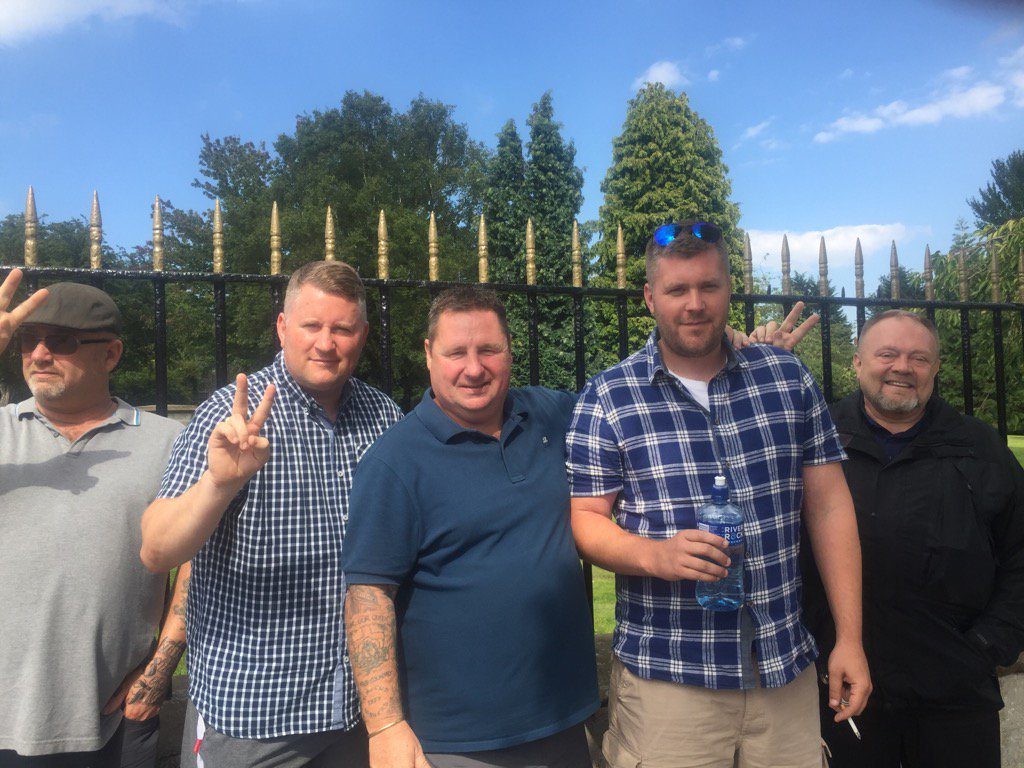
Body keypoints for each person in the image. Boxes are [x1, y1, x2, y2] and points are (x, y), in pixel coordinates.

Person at [566, 220, 871, 768]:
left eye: (709, 286)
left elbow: (829, 507)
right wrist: (655, 556)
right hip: (668, 679)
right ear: (650, 298)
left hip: (782, 668)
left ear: (730, 289)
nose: (695, 304)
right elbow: (586, 519)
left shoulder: (786, 378)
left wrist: (850, 637)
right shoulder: (609, 396)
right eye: (677, 290)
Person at [140, 260, 402, 768]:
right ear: (283, 327)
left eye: (343, 329)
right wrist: (220, 483)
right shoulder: (229, 415)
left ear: (363, 336)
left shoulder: (384, 416)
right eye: (311, 325)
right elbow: (157, 549)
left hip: (358, 711)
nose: (326, 343)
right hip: (254, 713)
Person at [341, 287, 599, 768]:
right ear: (429, 355)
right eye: (456, 352)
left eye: (489, 350)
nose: (474, 368)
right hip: (458, 743)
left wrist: (720, 344)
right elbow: (368, 596)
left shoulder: (551, 414)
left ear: (511, 352)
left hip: (563, 722)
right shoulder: (394, 462)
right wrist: (385, 726)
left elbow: (634, 401)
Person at [801, 310, 1024, 768]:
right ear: (858, 362)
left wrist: (988, 646)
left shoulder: (979, 448)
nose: (902, 367)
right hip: (839, 686)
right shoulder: (816, 441)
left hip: (955, 691)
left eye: (919, 358)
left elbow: (1020, 555)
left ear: (935, 369)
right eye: (887, 354)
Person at [0, 272, 188, 767]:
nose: (40, 354)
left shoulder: (168, 442)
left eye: (61, 341)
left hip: (112, 717)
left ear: (110, 354)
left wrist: (159, 669)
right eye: (28, 340)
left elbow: (200, 560)